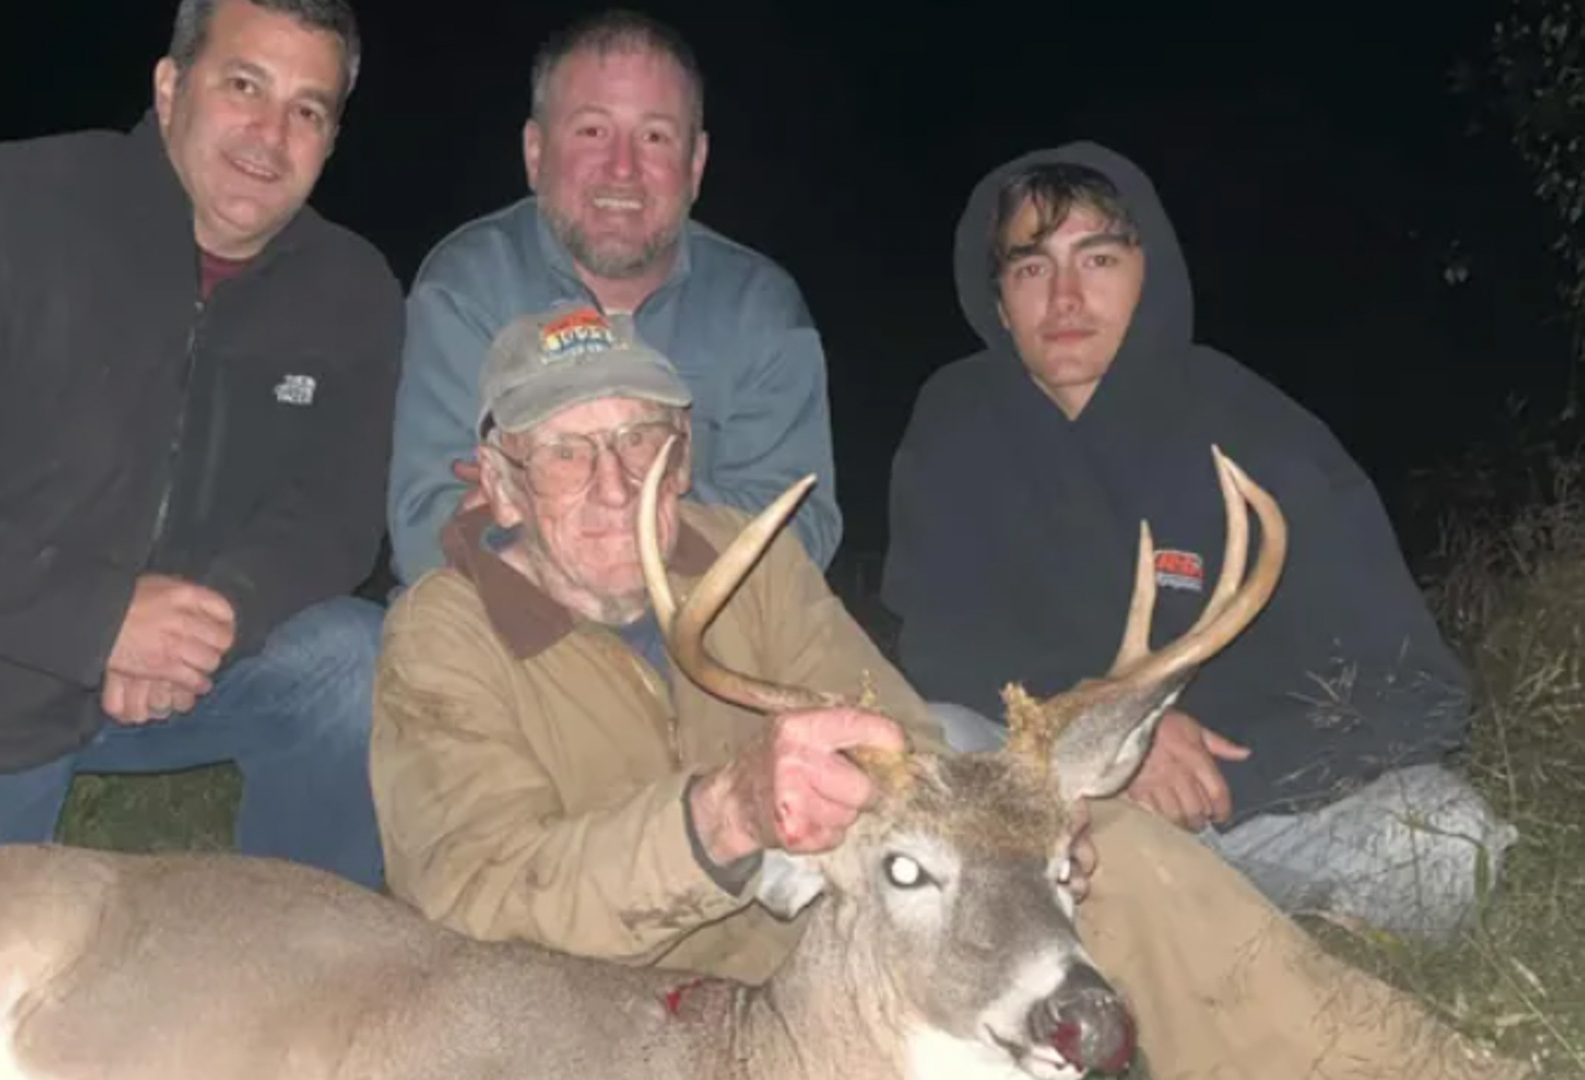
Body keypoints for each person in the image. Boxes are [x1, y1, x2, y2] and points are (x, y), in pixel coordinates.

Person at [368, 302, 1527, 1080]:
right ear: (499, 483)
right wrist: (719, 820)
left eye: (645, 442)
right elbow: (469, 906)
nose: (619, 483)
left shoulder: (745, 559)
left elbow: (908, 742)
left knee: (1117, 859)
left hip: (840, 949)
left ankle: (1412, 1064)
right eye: (570, 452)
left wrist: (1026, 832)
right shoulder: (445, 638)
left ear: (685, 449)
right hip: (620, 1017)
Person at [0, 0, 402, 926]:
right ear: (169, 86)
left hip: (176, 658)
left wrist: (208, 619)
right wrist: (98, 619)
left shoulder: (349, 289)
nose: (270, 137)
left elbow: (335, 510)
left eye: (308, 110)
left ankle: (295, 950)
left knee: (357, 665)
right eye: (244, 85)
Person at [880, 140, 1518, 943]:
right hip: (1050, 811)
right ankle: (1154, 944)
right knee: (935, 733)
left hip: (1237, 817)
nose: (1066, 297)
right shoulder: (956, 421)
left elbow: (1419, 691)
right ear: (999, 299)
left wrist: (1224, 779)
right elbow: (940, 645)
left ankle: (1217, 942)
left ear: (1151, 271)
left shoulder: (1257, 428)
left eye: (1099, 258)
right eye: (1032, 267)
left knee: (1447, 836)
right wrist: (1114, 739)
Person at [384, 8, 840, 586]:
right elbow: (426, 533)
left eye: (654, 136)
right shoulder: (467, 285)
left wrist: (550, 500)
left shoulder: (762, 310)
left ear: (695, 165)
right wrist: (683, 509)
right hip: (504, 632)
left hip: (694, 642)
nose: (622, 169)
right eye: (593, 131)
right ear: (534, 152)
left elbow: (798, 533)